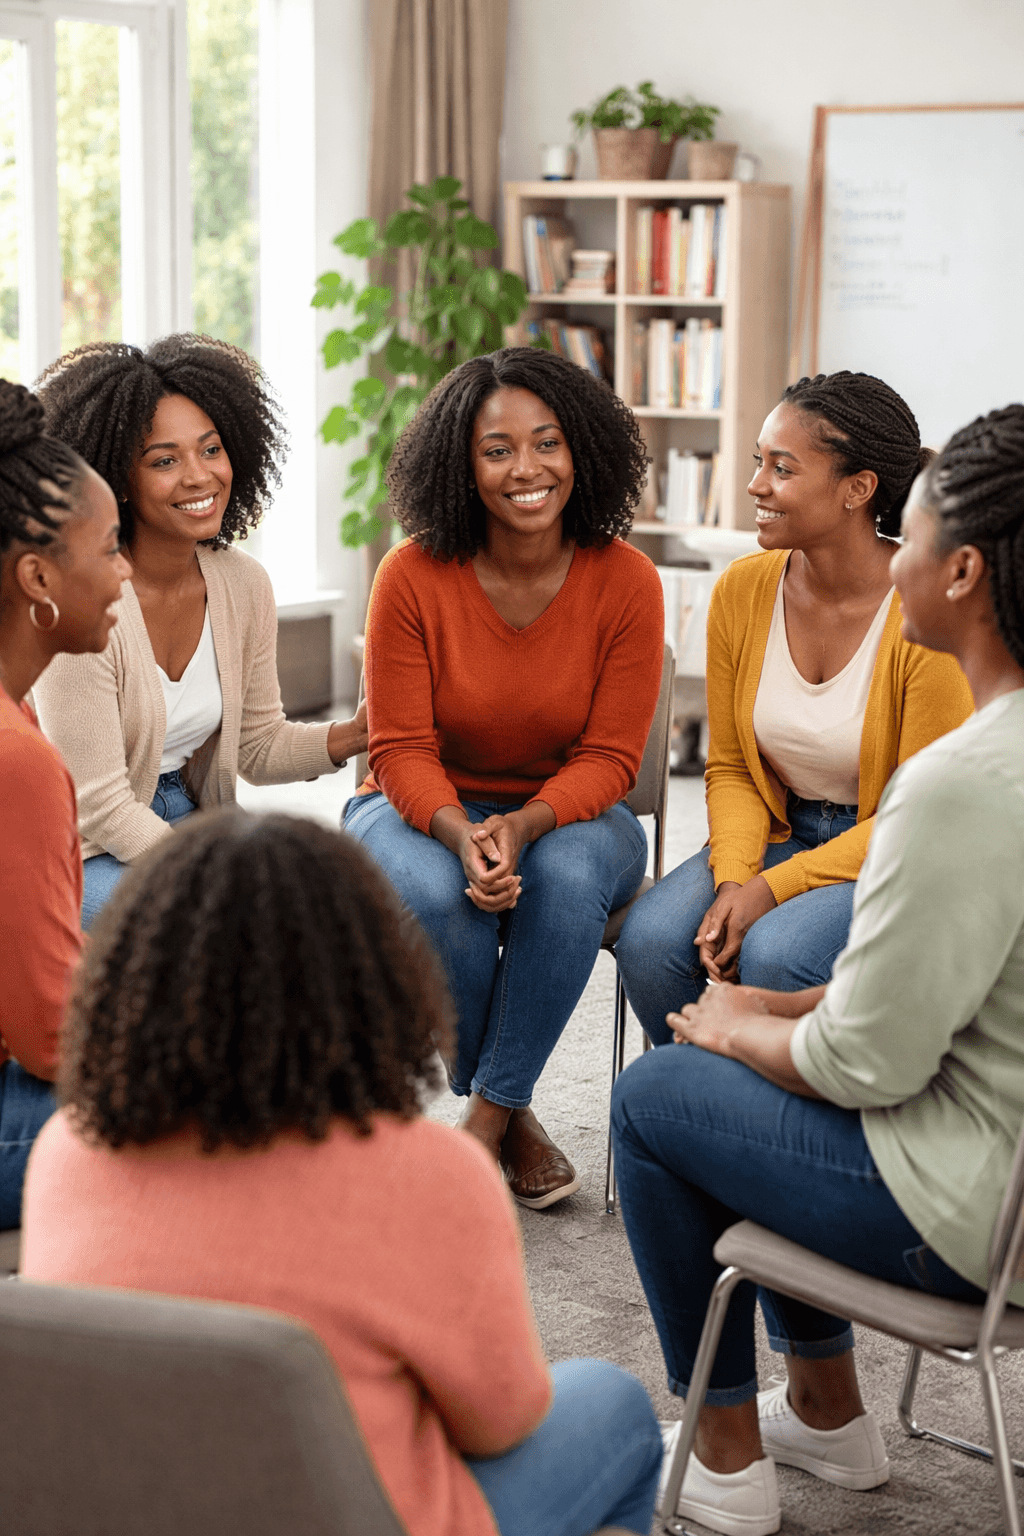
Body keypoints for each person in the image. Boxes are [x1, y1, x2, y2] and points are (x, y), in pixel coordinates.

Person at [609, 403, 1024, 1536]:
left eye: (915, 528)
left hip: (973, 1222)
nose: (900, 551)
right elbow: (962, 996)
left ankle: (726, 1457)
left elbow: (866, 1065)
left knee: (655, 1099)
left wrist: (734, 1029)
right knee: (709, 1021)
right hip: (1002, 1172)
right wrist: (772, 1004)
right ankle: (824, 1413)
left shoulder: (959, 785)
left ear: (963, 571)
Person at [21, 810, 664, 1536]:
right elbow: (502, 1420)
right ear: (367, 984)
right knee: (613, 1403)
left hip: (137, 1511)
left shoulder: (68, 1153)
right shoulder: (436, 1177)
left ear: (135, 977)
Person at [343, 347, 664, 1208]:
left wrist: (522, 825)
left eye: (547, 442)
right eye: (498, 450)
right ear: (462, 465)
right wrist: (461, 831)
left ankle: (484, 1120)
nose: (527, 469)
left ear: (581, 449)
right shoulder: (410, 573)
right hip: (417, 807)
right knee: (440, 893)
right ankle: (512, 1112)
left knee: (564, 879)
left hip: (570, 814)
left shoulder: (627, 580)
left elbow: (612, 757)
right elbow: (398, 747)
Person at [616, 371, 973, 1042]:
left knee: (777, 954)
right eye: (760, 462)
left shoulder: (926, 611)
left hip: (894, 850)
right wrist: (734, 879)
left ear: (857, 489)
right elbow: (732, 766)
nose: (756, 485)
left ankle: (765, 1097)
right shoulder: (742, 590)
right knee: (652, 940)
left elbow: (919, 817)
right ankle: (696, 1096)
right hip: (783, 827)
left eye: (782, 469)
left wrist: (771, 890)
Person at [32, 336, 367, 928]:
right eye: (164, 461)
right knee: (210, 934)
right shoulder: (81, 601)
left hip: (191, 816)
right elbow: (100, 805)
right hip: (83, 848)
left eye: (211, 449)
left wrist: (356, 733)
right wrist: (219, 876)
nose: (199, 476)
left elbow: (257, 745)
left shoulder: (242, 583)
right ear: (116, 480)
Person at [0, 378, 130, 1227]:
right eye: (111, 548)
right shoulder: (18, 762)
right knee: (236, 1109)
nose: (124, 570)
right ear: (38, 576)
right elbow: (53, 1041)